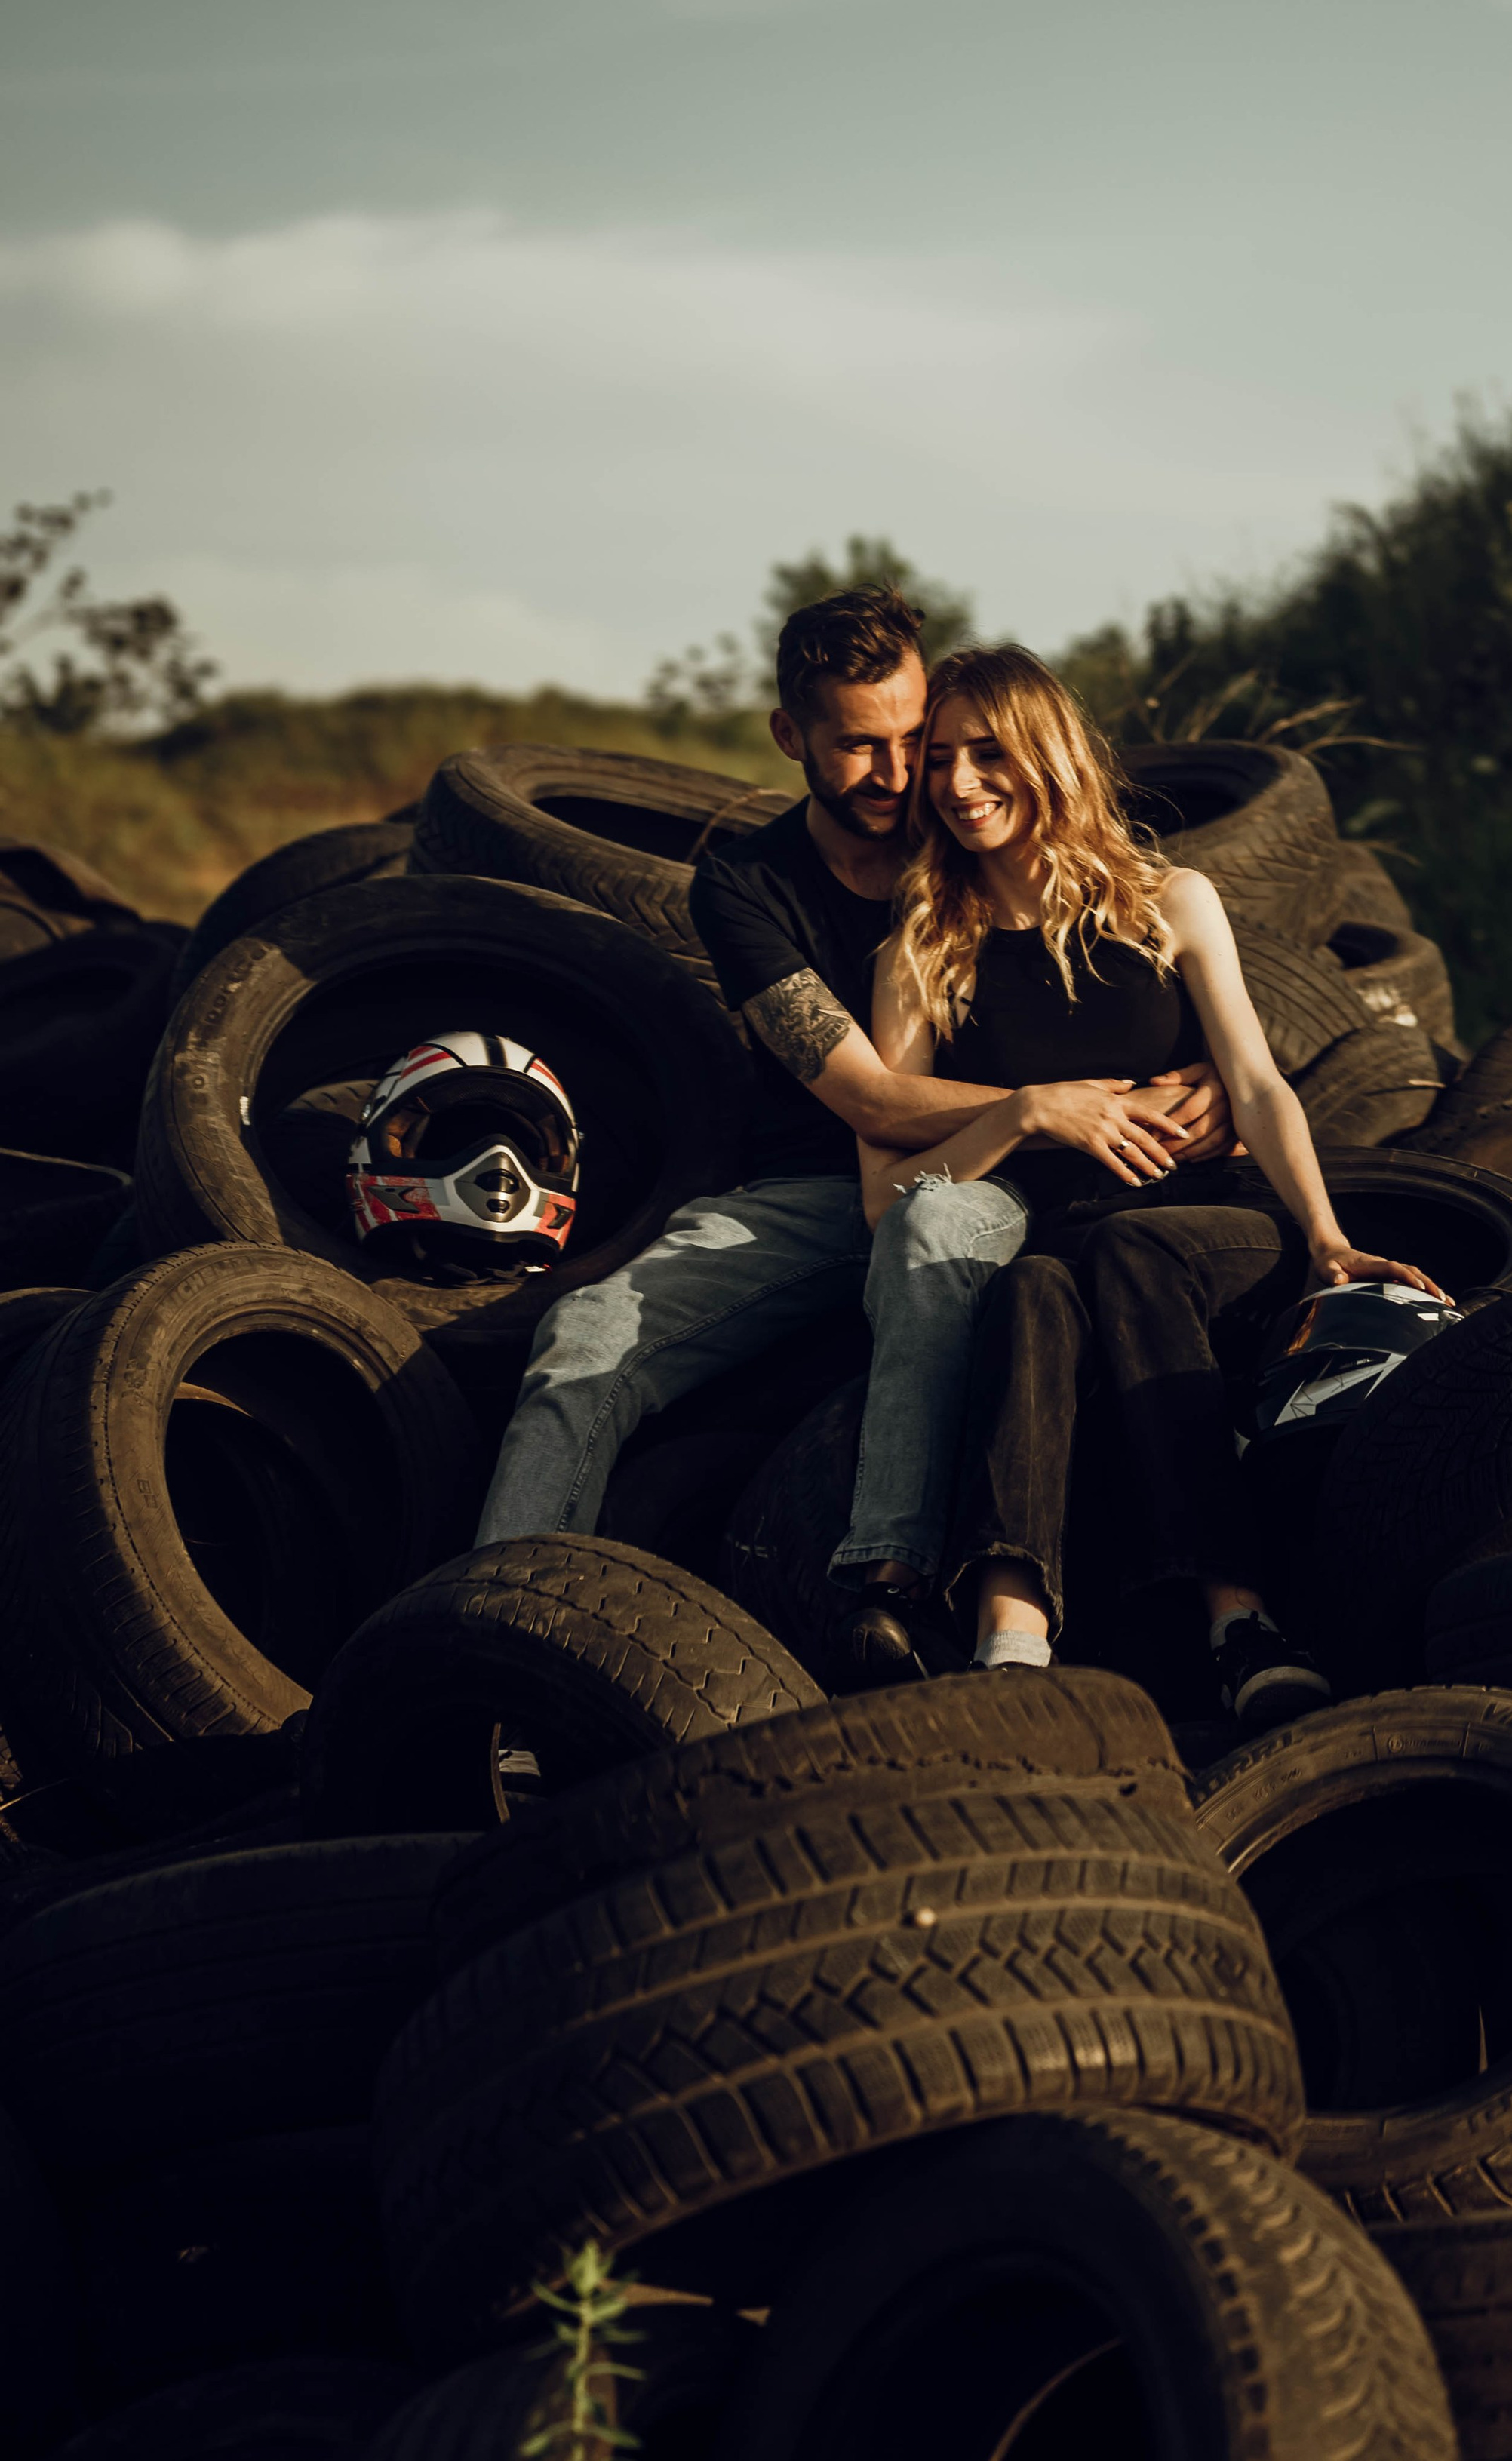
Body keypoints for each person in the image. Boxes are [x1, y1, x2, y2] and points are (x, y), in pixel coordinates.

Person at [474, 587, 1232, 1546]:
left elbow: (1140, 955)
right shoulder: (744, 888)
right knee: (582, 1342)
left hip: (1024, 1184)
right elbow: (870, 1098)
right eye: (859, 745)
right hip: (827, 1191)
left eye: (914, 739)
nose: (900, 774)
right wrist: (1049, 1109)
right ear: (790, 735)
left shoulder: (977, 813)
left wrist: (1213, 1077)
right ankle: (494, 1609)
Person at [835, 643, 1443, 1731]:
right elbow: (890, 1201)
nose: (961, 783)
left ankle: (1241, 1618)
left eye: (989, 753)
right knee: (1031, 1287)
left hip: (1207, 1229)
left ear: (1049, 754)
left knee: (1122, 1249)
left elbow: (1255, 1083)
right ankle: (1011, 1646)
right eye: (939, 760)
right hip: (1063, 1243)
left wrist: (1326, 1238)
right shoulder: (922, 952)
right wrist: (1021, 1113)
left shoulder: (1170, 901)